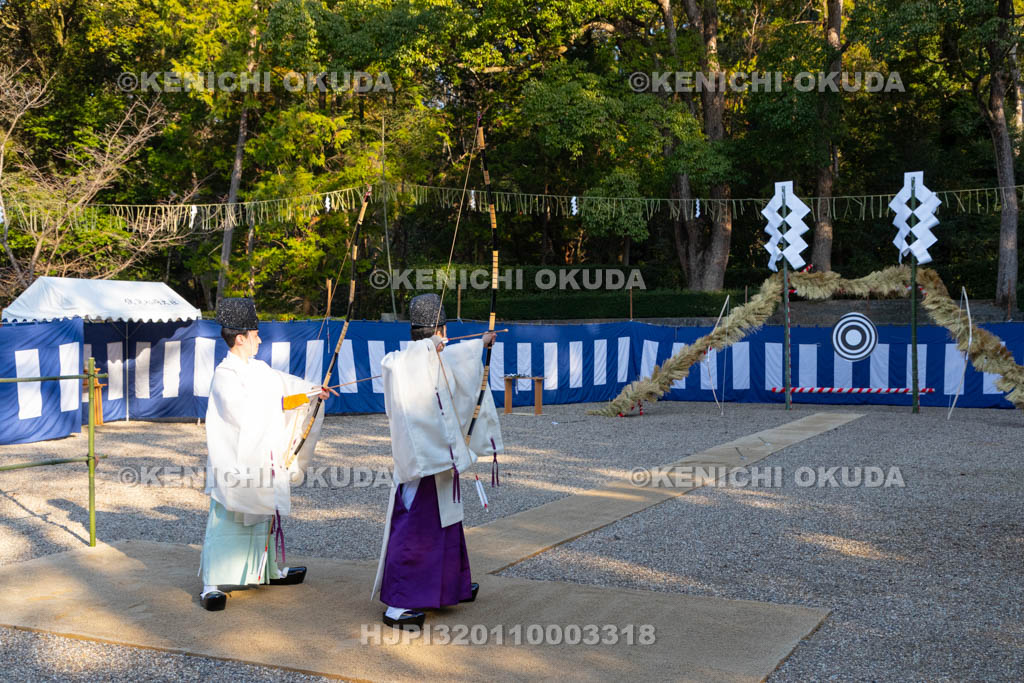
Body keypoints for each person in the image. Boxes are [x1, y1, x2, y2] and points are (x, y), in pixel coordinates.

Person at [372, 293, 503, 629]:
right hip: (420, 464)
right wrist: (441, 346)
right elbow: (423, 359)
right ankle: (399, 604)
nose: (446, 340)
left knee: (447, 522)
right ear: (437, 332)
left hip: (440, 459)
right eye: (442, 334)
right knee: (416, 527)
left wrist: (480, 344)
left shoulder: (432, 358)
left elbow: (453, 356)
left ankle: (447, 588)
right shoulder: (402, 363)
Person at [198, 297, 334, 611]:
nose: (260, 339)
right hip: (235, 462)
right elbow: (244, 412)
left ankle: (266, 570)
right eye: (256, 334)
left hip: (261, 457)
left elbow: (284, 389)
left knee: (262, 516)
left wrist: (314, 393)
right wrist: (292, 400)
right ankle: (211, 584)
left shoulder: (258, 368)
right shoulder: (225, 375)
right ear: (240, 338)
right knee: (226, 517)